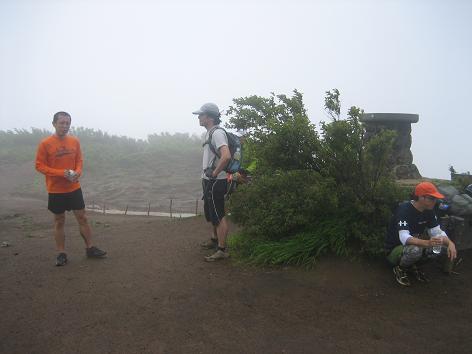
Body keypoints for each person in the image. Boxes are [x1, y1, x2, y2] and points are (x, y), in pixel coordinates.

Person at [35, 111, 106, 266]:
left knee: (83, 218)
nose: (65, 126)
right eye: (62, 123)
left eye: (68, 123)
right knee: (59, 221)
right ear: (54, 124)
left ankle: (90, 248)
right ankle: (61, 253)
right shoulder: (45, 144)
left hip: (74, 188)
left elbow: (79, 161)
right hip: (55, 190)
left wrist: (77, 172)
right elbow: (39, 165)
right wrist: (62, 173)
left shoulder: (74, 141)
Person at [385, 181, 457, 286]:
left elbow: (437, 232)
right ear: (421, 197)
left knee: (441, 249)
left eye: (435, 199)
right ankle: (400, 268)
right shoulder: (404, 210)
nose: (435, 201)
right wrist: (428, 243)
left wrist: (450, 243)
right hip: (395, 249)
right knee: (416, 249)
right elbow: (404, 238)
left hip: (412, 246)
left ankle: (413, 265)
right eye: (431, 198)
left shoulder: (429, 211)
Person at [193, 103, 231, 262]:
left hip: (216, 181)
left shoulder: (217, 133)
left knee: (219, 215)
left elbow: (226, 156)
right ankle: (214, 240)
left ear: (209, 116)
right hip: (209, 180)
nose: (198, 118)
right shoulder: (210, 133)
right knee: (211, 213)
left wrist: (215, 173)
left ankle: (222, 250)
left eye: (201, 115)